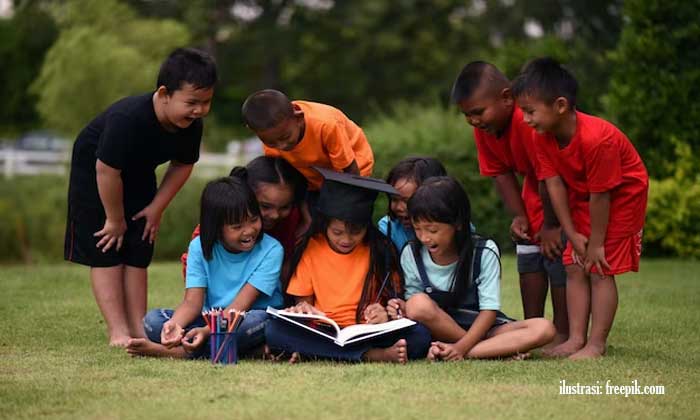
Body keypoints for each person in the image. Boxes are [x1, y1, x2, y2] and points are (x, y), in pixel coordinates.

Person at [64, 48, 217, 347]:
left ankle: (138, 327)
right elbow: (106, 170)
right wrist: (114, 218)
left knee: (138, 246)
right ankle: (118, 330)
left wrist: (156, 209)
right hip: (97, 174)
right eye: (191, 102)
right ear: (164, 94)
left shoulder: (190, 126)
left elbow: (183, 165)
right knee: (107, 245)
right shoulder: (128, 118)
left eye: (206, 102)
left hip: (138, 172)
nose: (199, 110)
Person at [512, 57, 648, 360]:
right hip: (585, 194)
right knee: (574, 263)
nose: (525, 119)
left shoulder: (598, 140)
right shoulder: (542, 137)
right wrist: (570, 233)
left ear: (560, 105)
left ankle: (596, 344)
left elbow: (603, 195)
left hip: (622, 197)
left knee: (599, 267)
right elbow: (554, 185)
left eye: (530, 111)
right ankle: (575, 339)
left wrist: (597, 243)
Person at [450, 61, 569, 348]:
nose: (474, 121)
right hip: (536, 189)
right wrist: (520, 216)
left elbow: (549, 175)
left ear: (506, 98)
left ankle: (564, 332)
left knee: (557, 258)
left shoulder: (528, 122)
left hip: (562, 191)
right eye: (467, 115)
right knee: (528, 253)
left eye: (478, 112)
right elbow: (501, 174)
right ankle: (531, 328)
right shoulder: (485, 130)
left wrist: (551, 225)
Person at [265, 168, 431, 363]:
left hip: (368, 331)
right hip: (324, 331)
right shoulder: (311, 248)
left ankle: (316, 353)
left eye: (356, 232)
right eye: (337, 232)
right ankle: (371, 355)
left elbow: (393, 302)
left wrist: (384, 313)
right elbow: (304, 305)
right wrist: (302, 310)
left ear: (366, 227)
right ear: (325, 224)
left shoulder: (378, 249)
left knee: (420, 335)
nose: (346, 239)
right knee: (274, 330)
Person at [387, 176, 555, 361]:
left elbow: (489, 310)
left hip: (482, 327)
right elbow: (415, 305)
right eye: (418, 229)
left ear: (458, 224)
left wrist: (462, 347)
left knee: (544, 328)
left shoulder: (484, 251)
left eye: (432, 230)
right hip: (437, 328)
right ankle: (494, 351)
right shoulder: (412, 252)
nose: (424, 238)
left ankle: (459, 352)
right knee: (417, 304)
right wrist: (401, 306)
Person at [126, 176, 284, 359]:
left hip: (245, 319)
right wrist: (175, 326)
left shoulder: (271, 250)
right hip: (210, 320)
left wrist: (206, 332)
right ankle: (240, 350)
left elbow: (239, 307)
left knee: (257, 322)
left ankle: (177, 352)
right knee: (154, 321)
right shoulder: (198, 247)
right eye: (237, 226)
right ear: (216, 228)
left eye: (254, 220)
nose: (249, 230)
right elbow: (192, 303)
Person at [241, 89, 375, 236]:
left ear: (298, 118)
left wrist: (345, 207)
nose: (281, 146)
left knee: (339, 222)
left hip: (351, 170)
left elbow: (349, 173)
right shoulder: (273, 135)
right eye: (270, 142)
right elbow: (288, 180)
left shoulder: (326, 125)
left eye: (286, 137)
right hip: (313, 174)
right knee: (312, 224)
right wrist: (306, 218)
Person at [181, 156, 307, 278]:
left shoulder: (293, 221)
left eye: (285, 207)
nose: (275, 215)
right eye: (265, 206)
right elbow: (194, 267)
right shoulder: (217, 227)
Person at [378, 156, 448, 251]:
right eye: (394, 199)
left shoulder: (453, 227)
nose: (399, 207)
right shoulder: (389, 229)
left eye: (407, 201)